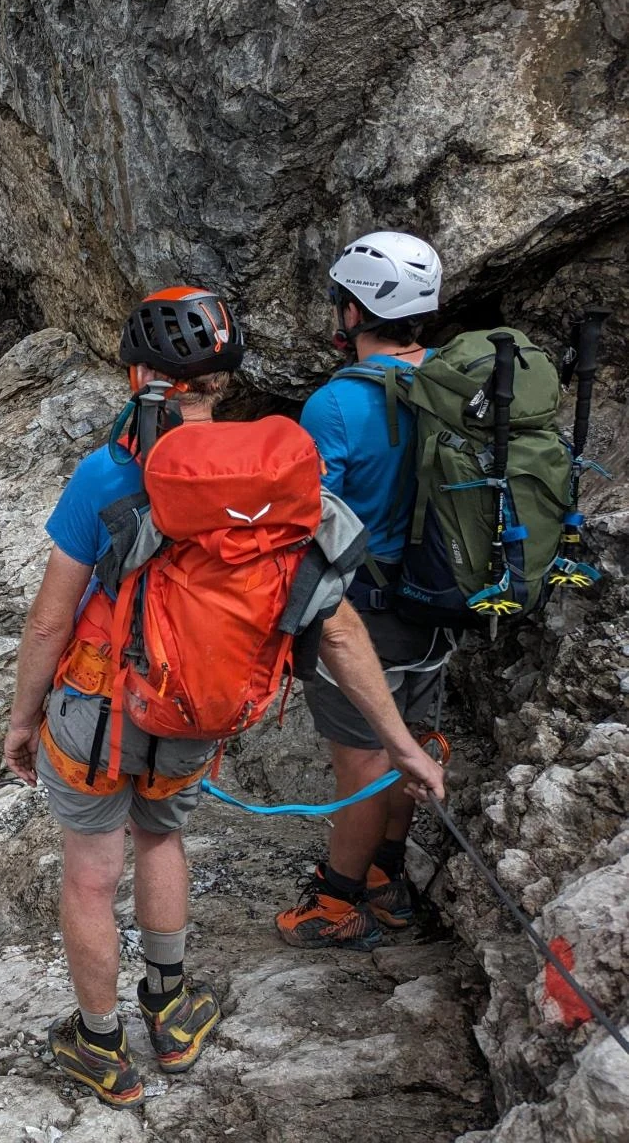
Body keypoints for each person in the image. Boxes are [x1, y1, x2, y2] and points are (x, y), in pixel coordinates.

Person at [3, 287, 447, 1110]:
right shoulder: (279, 478)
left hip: (95, 710)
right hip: (196, 708)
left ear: (141, 371)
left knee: (92, 878)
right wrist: (406, 744)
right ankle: (171, 1012)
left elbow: (47, 619)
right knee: (161, 840)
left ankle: (103, 1050)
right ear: (223, 380)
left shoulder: (110, 470)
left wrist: (23, 720)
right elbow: (338, 629)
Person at [275, 231, 457, 951]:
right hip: (441, 598)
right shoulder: (453, 377)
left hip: (365, 609)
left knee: (364, 760)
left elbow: (311, 519)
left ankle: (339, 898)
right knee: (408, 737)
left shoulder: (335, 405)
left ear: (356, 312)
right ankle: (386, 875)